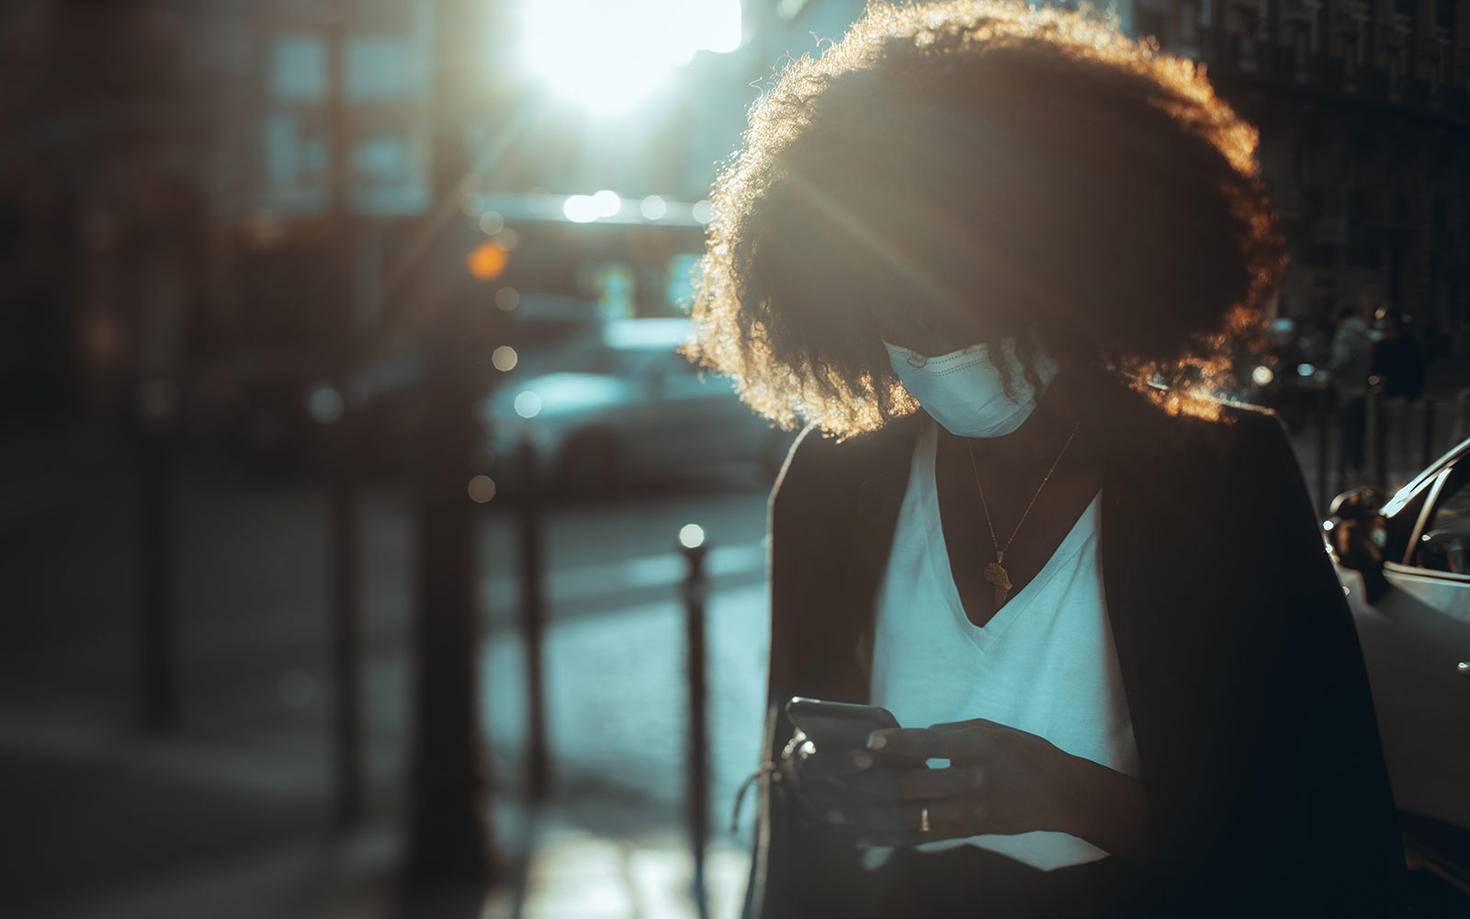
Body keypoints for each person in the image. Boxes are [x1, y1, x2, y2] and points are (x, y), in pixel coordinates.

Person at [683, 2, 1405, 916]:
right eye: (892, 299)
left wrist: (1069, 795)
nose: (931, 339)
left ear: (1068, 271)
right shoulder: (830, 481)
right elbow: (791, 827)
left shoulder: (1226, 475)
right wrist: (813, 776)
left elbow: (1327, 831)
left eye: (964, 291)